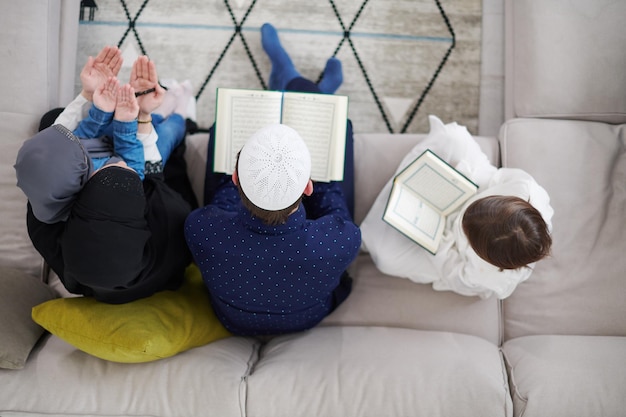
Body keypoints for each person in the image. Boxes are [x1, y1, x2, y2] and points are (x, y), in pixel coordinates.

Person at [184, 23, 361, 336]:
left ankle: (287, 75)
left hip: (235, 320)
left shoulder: (201, 230)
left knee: (218, 131)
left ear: (236, 178)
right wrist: (318, 175)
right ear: (307, 187)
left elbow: (222, 202)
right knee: (340, 128)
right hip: (304, 317)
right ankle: (308, 89)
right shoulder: (341, 241)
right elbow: (334, 206)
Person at [15, 48, 193, 304]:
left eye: (98, 174)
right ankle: (181, 113)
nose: (117, 161)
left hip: (103, 165)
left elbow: (57, 154)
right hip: (149, 175)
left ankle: (131, 111)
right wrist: (141, 116)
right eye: (123, 170)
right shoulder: (170, 217)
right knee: (169, 134)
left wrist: (91, 98)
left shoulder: (44, 224)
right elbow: (151, 174)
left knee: (52, 121)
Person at [360, 114, 554, 299]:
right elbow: (491, 175)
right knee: (453, 137)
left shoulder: (489, 278)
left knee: (386, 258)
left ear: (481, 252)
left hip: (446, 246)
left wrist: (435, 238)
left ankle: (399, 197)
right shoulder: (525, 188)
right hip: (469, 191)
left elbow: (451, 271)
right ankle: (406, 186)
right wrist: (460, 182)